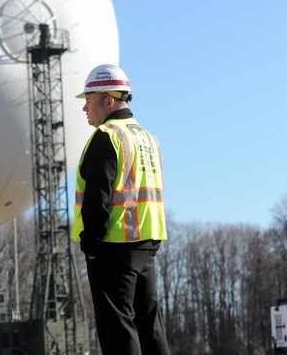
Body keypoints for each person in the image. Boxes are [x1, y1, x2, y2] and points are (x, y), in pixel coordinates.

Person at [71, 64, 169, 355]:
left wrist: (90, 242)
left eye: (88, 101)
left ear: (108, 101)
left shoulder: (107, 135)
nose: (85, 109)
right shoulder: (149, 138)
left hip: (112, 245)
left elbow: (97, 196)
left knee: (117, 329)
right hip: (148, 243)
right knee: (150, 324)